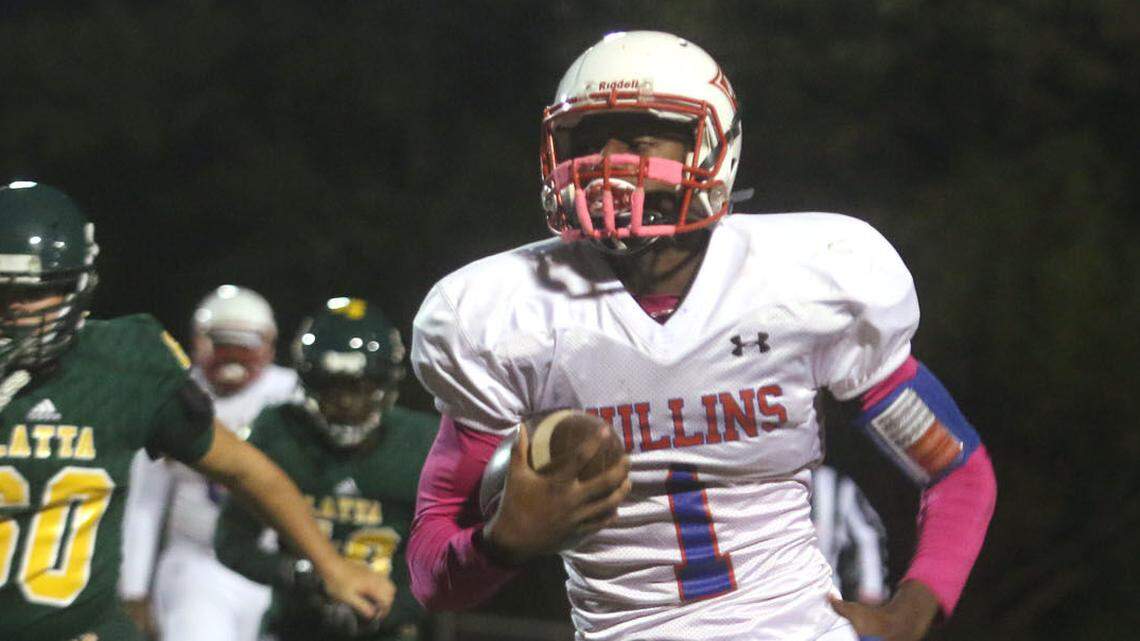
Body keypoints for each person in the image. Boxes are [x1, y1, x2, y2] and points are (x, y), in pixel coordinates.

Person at [407, 31, 997, 641]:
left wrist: (914, 607)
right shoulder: (506, 315)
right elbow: (430, 574)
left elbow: (956, 471)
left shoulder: (803, 281)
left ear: (714, 145)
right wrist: (500, 545)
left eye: (637, 137)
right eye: (585, 141)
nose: (605, 162)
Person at [0, 181, 392, 641]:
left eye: (39, 289)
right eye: (3, 291)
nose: (18, 310)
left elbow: (247, 471)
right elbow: (151, 502)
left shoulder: (125, 363)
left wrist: (330, 565)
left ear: (80, 284)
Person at [215, 297, 437, 641]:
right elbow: (231, 542)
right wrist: (301, 574)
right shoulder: (279, 431)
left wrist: (395, 609)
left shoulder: (423, 442)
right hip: (295, 627)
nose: (347, 403)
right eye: (332, 387)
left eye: (360, 387)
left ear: (387, 383)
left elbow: (448, 560)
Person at [119, 285, 300, 640]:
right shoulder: (174, 395)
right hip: (198, 561)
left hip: (278, 565)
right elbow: (145, 499)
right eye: (222, 342)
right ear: (198, 341)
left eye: (244, 343)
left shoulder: (292, 394)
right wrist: (133, 588)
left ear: (269, 344)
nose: (232, 356)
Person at [811, 465, 889, 606]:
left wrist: (871, 588)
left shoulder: (834, 485)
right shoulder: (764, 481)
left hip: (821, 603)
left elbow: (867, 537)